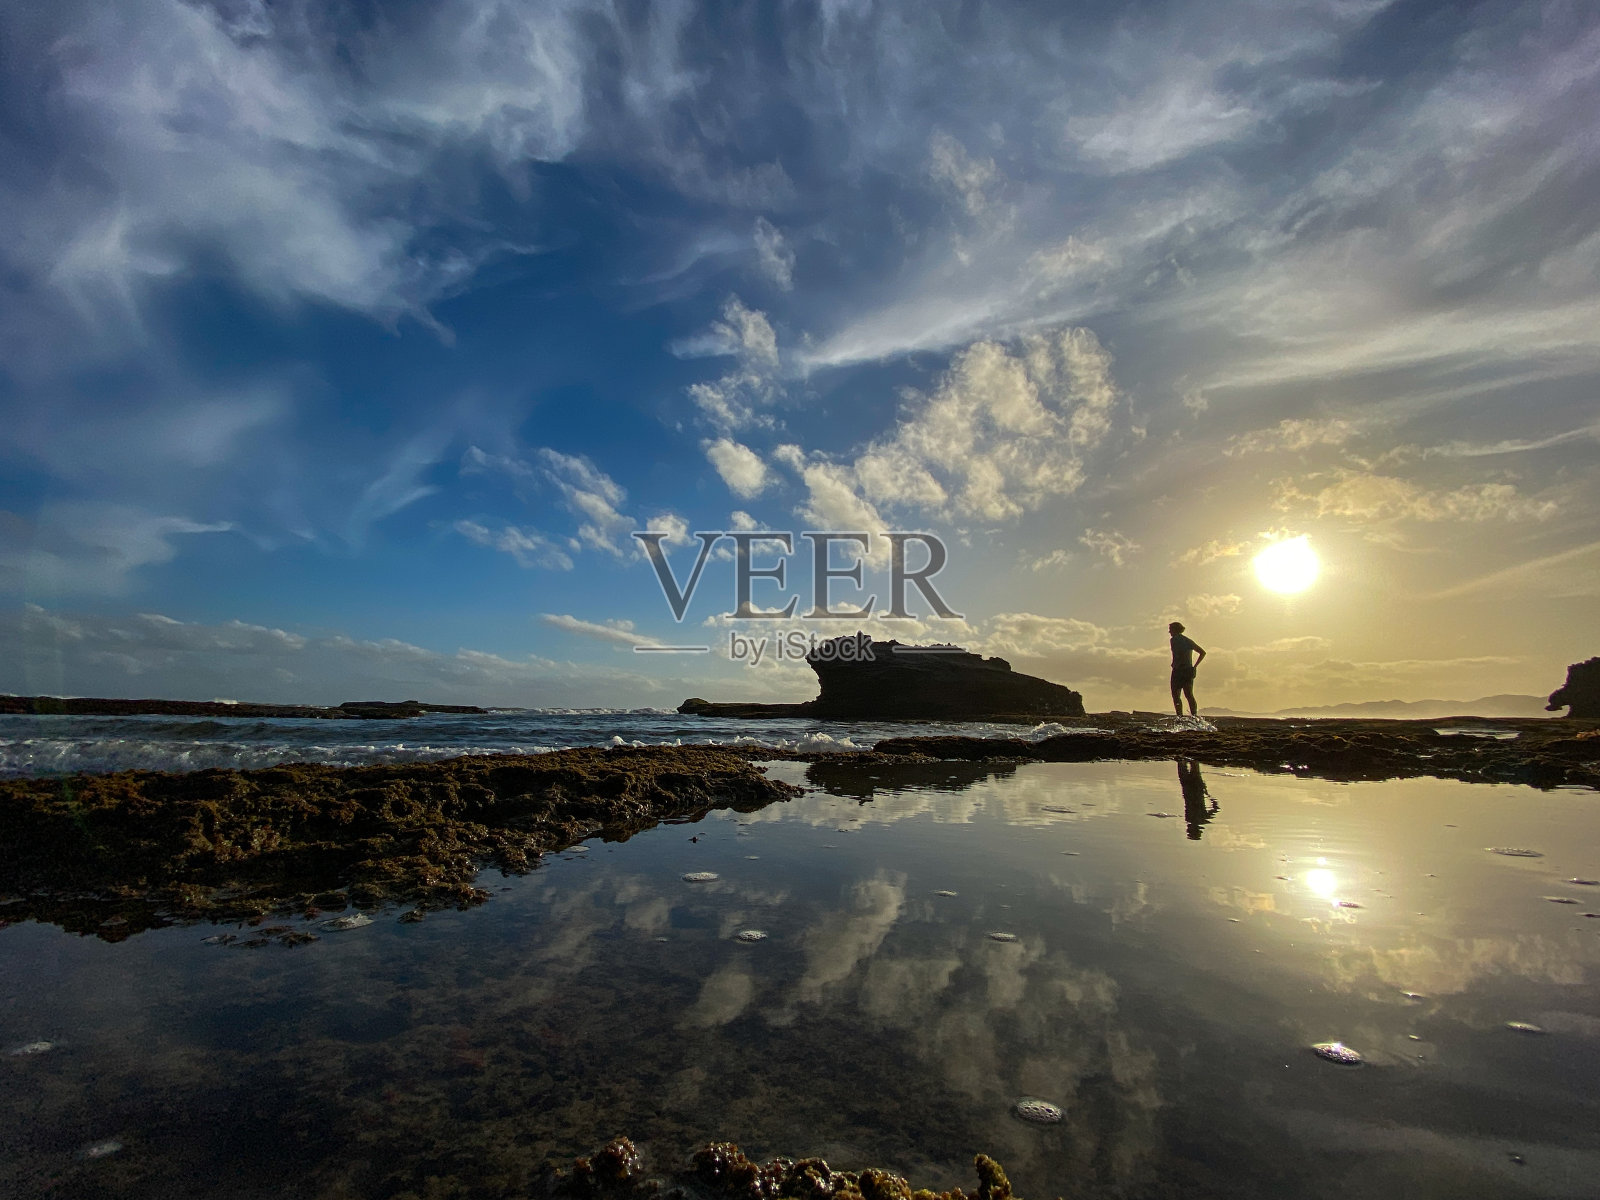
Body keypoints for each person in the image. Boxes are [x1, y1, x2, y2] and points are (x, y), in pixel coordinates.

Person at [1168, 621, 1206, 716]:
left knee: (1180, 695)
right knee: (1186, 695)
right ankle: (1191, 716)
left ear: (1175, 630)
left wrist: (1195, 666)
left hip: (1182, 670)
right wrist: (1194, 666)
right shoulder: (1186, 640)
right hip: (1184, 669)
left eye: (1170, 629)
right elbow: (1202, 652)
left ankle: (1184, 716)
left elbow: (1202, 652)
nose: (1169, 632)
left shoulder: (1176, 640)